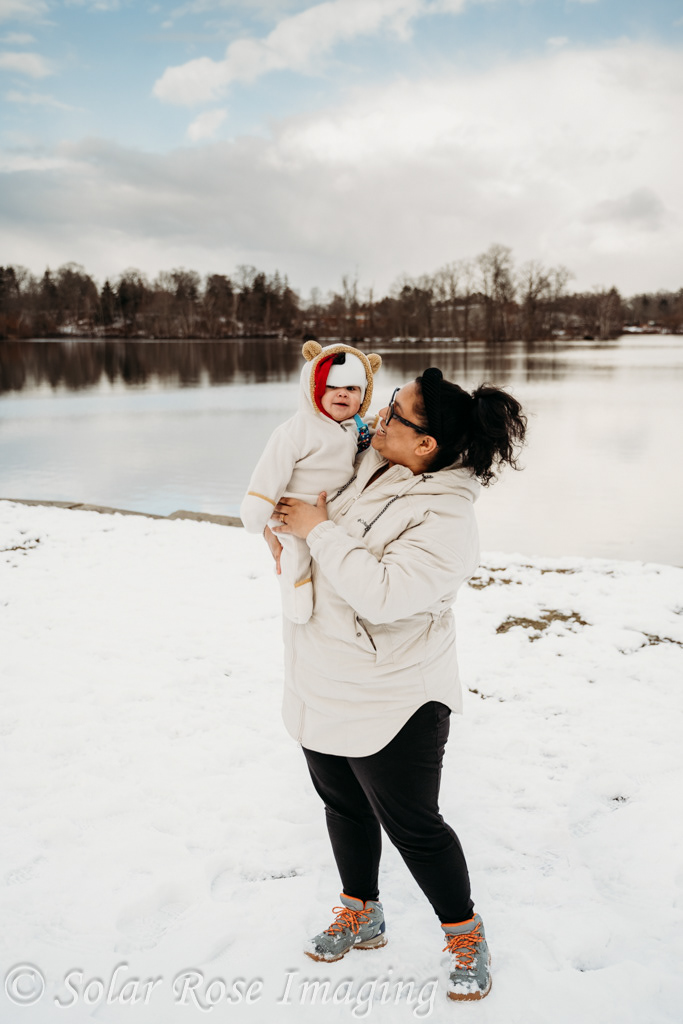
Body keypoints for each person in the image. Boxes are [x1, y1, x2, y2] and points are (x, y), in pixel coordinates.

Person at [267, 367, 526, 1002]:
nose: (378, 418)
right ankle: (362, 909)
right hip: (322, 673)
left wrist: (316, 530)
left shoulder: (447, 521)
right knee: (342, 804)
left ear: (427, 445)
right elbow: (312, 451)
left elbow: (383, 595)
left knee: (414, 824)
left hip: (396, 695)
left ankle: (465, 934)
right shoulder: (370, 463)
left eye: (395, 414)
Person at [240, 341, 381, 623]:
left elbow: (364, 443)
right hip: (293, 509)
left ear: (363, 395)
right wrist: (257, 509)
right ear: (313, 387)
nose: (342, 393)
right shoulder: (296, 430)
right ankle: (296, 603)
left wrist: (378, 427)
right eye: (331, 386)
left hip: (328, 512)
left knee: (328, 557)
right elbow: (271, 469)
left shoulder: (353, 428)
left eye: (352, 389)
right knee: (296, 557)